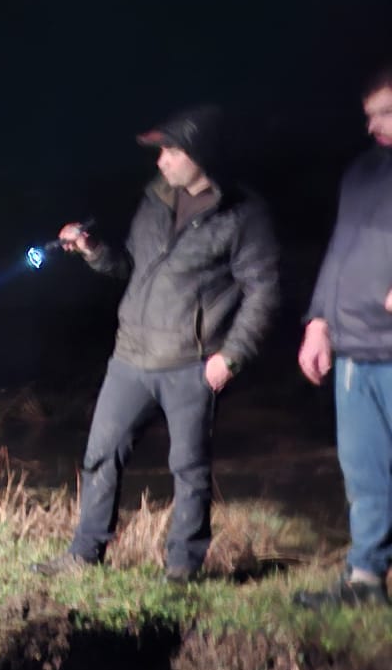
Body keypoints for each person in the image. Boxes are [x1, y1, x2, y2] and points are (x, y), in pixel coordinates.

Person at [34, 105, 281, 582]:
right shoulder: (154, 199)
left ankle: (182, 570)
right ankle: (84, 555)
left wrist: (232, 356)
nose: (161, 160)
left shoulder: (243, 214)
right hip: (130, 357)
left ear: (200, 154)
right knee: (99, 457)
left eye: (170, 150)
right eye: (160, 150)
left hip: (191, 364)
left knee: (189, 471)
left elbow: (264, 290)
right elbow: (129, 267)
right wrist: (94, 252)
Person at [293, 66, 392, 609]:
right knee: (365, 472)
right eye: (369, 115)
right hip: (354, 351)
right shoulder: (360, 172)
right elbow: (338, 250)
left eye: (386, 112)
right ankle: (366, 580)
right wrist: (317, 323)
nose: (374, 124)